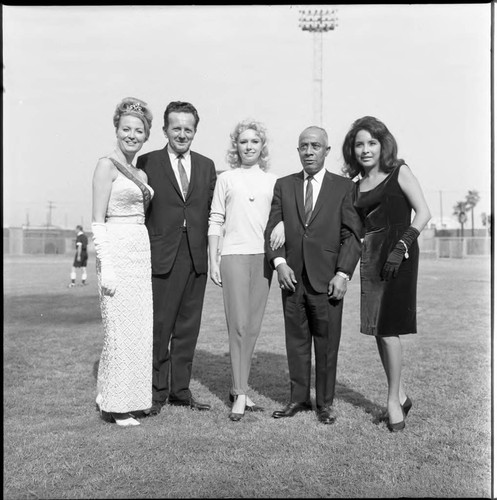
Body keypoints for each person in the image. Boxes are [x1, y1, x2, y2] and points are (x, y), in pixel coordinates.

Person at [265, 126, 362, 425]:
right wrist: (280, 263)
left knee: (327, 343)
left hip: (327, 280)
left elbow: (352, 236)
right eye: (304, 146)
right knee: (296, 341)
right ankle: (297, 399)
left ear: (326, 151)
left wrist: (343, 274)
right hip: (292, 278)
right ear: (298, 151)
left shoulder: (344, 188)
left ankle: (325, 404)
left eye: (315, 146)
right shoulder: (284, 185)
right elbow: (272, 228)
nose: (309, 151)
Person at [342, 116, 431, 432]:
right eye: (359, 144)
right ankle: (401, 395)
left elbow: (423, 212)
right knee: (378, 329)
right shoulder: (355, 186)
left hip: (399, 255)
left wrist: (403, 245)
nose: (365, 149)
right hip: (372, 256)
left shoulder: (399, 172)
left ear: (383, 144)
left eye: (371, 143)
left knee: (389, 327)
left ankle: (393, 401)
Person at [137, 101, 217, 415]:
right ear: (165, 130)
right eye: (176, 128)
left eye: (188, 129)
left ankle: (180, 391)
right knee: (160, 327)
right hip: (161, 256)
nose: (182, 134)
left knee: (187, 328)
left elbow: (215, 211)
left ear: (195, 131)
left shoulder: (207, 165)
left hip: (196, 257)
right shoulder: (147, 161)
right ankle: (156, 393)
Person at [208, 119, 285, 422]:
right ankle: (240, 394)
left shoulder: (273, 181)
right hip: (233, 256)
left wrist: (282, 225)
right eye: (243, 142)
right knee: (238, 325)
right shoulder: (226, 178)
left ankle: (239, 386)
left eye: (254, 141)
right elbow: (215, 219)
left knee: (252, 328)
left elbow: (282, 215)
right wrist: (213, 260)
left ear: (262, 146)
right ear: (235, 146)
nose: (249, 146)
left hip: (263, 258)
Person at [92, 97, 154, 427]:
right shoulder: (106, 165)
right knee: (118, 331)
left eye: (138, 130)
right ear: (116, 130)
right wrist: (108, 267)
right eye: (126, 129)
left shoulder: (140, 171)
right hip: (116, 249)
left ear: (146, 136)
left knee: (137, 331)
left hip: (139, 252)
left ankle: (126, 396)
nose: (132, 135)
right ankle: (117, 406)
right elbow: (97, 221)